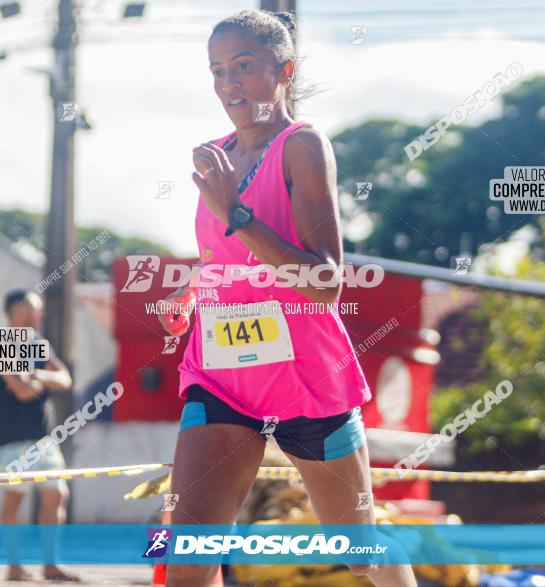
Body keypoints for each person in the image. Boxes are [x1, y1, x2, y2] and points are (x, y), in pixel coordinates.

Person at [156, 9, 417, 587]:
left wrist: (238, 213)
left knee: (361, 550)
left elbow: (325, 282)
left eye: (244, 67)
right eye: (218, 71)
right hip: (222, 373)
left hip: (305, 374)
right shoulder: (214, 157)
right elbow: (224, 258)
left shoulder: (302, 146)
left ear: (284, 71)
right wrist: (193, 291)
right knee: (189, 558)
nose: (229, 85)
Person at [0, 290, 80, 582]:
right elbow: (22, 392)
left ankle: (50, 565)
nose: (37, 315)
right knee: (14, 502)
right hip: (11, 439)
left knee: (57, 495)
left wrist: (37, 377)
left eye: (38, 310)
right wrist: (37, 381)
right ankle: (14, 567)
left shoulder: (40, 345)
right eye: (32, 309)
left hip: (42, 440)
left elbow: (64, 379)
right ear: (14, 311)